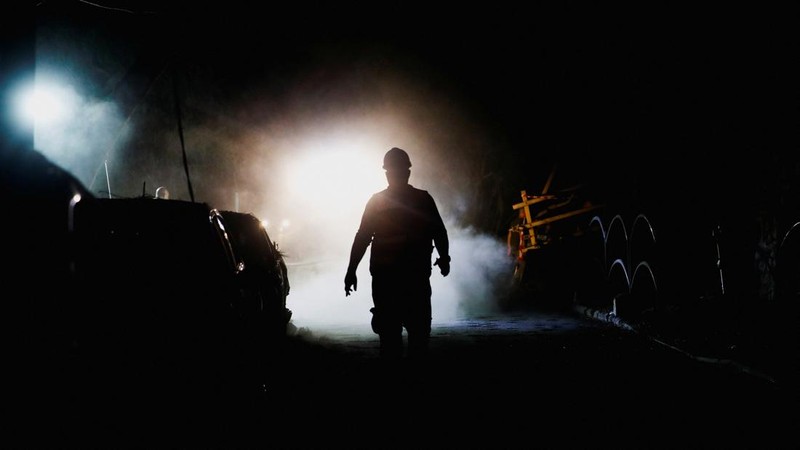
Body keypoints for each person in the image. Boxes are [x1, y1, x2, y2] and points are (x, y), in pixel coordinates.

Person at [344, 147, 450, 360]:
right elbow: (438, 231)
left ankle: (393, 386)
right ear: (407, 171)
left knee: (390, 339)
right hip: (414, 279)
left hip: (387, 281)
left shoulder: (377, 202)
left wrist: (351, 270)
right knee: (418, 337)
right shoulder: (422, 199)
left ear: (387, 173)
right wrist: (444, 259)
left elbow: (362, 237)